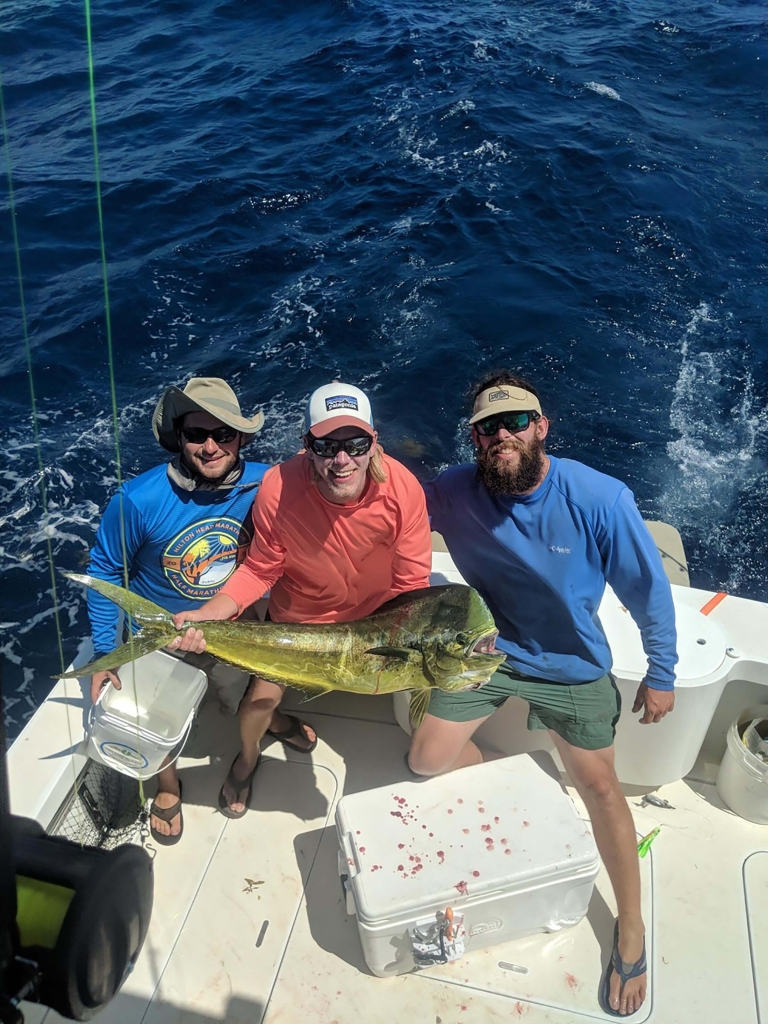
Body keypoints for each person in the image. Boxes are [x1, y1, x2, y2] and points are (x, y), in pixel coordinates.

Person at [407, 370, 677, 1019]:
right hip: (492, 653)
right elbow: (388, 500)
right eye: (487, 427)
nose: (502, 435)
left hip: (574, 665)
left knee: (603, 791)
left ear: (541, 426)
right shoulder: (453, 491)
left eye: (515, 421)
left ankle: (632, 925)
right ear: (474, 439)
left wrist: (662, 672)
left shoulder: (599, 498)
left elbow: (649, 591)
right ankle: (522, 789)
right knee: (424, 760)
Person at [171, 382, 432, 818]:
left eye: (355, 444)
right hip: (299, 626)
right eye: (327, 446)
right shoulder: (278, 487)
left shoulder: (403, 491)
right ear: (306, 446)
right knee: (258, 702)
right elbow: (259, 570)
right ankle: (249, 757)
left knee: (424, 692)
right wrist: (205, 615)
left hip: (374, 627)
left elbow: (412, 586)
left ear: (373, 442)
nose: (342, 459)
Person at [87, 377, 274, 846]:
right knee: (158, 723)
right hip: (161, 638)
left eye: (223, 434)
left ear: (242, 437)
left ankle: (252, 740)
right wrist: (108, 654)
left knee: (242, 697)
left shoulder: (268, 484)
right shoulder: (137, 499)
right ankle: (168, 786)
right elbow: (106, 571)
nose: (210, 447)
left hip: (234, 629)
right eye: (196, 435)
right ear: (179, 437)